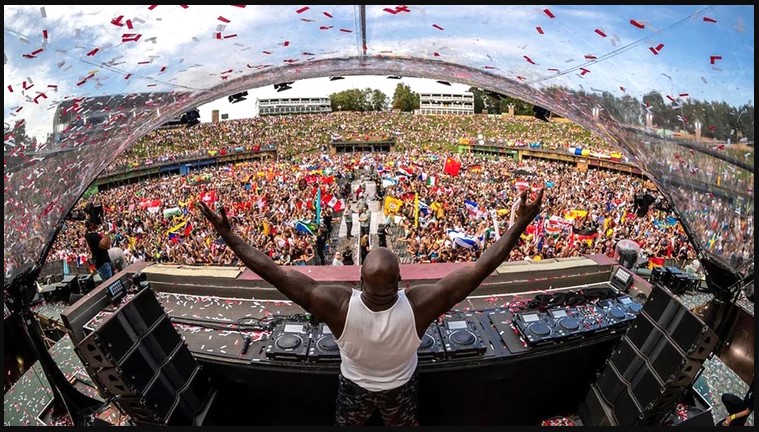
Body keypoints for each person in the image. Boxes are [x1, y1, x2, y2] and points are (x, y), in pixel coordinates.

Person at [195, 188, 543, 426]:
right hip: (401, 388)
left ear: (358, 280)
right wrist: (520, 223)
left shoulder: (336, 305)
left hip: (354, 388)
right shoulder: (422, 304)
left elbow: (271, 271)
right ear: (401, 279)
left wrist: (229, 235)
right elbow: (480, 267)